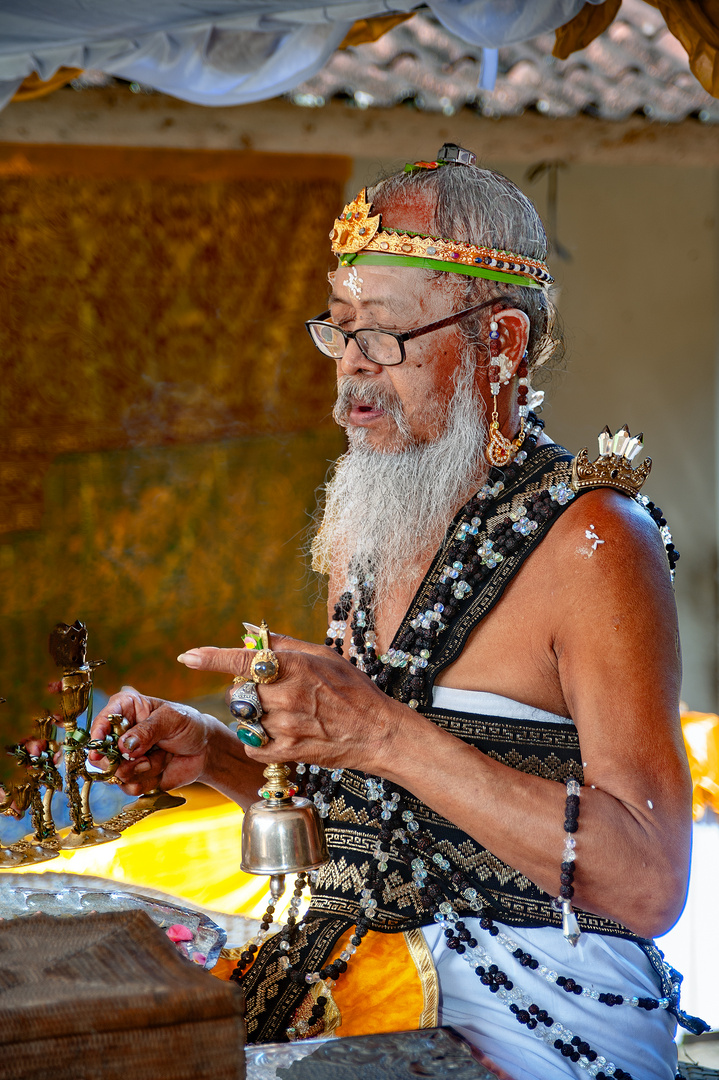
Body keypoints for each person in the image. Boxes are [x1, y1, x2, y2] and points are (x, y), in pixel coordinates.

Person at [91, 147, 704, 1080]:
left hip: (529, 1010)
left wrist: (377, 731)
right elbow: (377, 827)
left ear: (498, 342)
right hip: (353, 977)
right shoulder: (368, 520)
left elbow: (648, 880)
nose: (349, 370)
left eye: (382, 335)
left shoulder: (591, 538)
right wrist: (214, 754)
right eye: (337, 331)